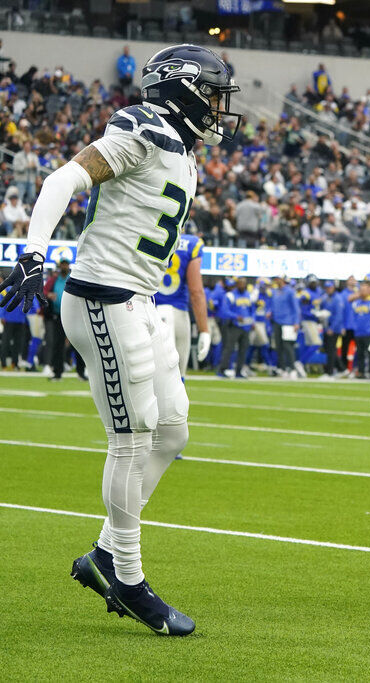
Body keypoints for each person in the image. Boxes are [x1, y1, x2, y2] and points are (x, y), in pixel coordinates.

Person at [0, 44, 241, 636]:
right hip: (105, 300)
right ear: (182, 91)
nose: (218, 108)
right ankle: (128, 578)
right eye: (212, 94)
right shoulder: (146, 130)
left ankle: (107, 554)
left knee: (173, 429)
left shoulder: (181, 148)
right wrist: (33, 250)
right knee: (131, 438)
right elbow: (66, 177)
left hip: (140, 300)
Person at [153, 234, 210, 378]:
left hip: (148, 310)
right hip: (177, 312)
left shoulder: (148, 233)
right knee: (176, 378)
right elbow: (196, 292)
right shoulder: (191, 243)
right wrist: (204, 330)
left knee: (149, 378)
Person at [42, 258, 86, 380]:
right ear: (60, 266)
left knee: (78, 344)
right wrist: (49, 295)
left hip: (74, 316)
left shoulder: (73, 278)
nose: (64, 267)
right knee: (57, 344)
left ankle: (81, 372)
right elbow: (44, 291)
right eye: (62, 264)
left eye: (66, 264)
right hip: (57, 316)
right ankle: (57, 372)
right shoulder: (54, 279)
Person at [217, 276, 253, 378]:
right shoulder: (230, 295)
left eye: (244, 283)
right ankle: (222, 369)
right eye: (240, 282)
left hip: (246, 326)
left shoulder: (248, 295)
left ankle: (239, 371)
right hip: (234, 326)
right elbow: (224, 311)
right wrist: (236, 316)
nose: (242, 284)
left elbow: (252, 310)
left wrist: (252, 319)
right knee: (229, 348)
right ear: (237, 284)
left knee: (243, 349)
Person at [269, 275, 300, 379]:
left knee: (288, 346)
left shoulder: (290, 291)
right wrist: (270, 312)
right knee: (279, 347)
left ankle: (292, 368)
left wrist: (296, 322)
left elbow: (296, 308)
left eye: (277, 279)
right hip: (277, 321)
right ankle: (282, 369)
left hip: (288, 322)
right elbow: (273, 306)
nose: (276, 281)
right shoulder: (275, 292)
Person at [348, 278, 370, 378]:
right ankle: (360, 372)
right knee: (359, 353)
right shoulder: (356, 303)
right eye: (361, 290)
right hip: (358, 332)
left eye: (365, 290)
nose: (362, 292)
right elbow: (349, 299)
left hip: (369, 331)